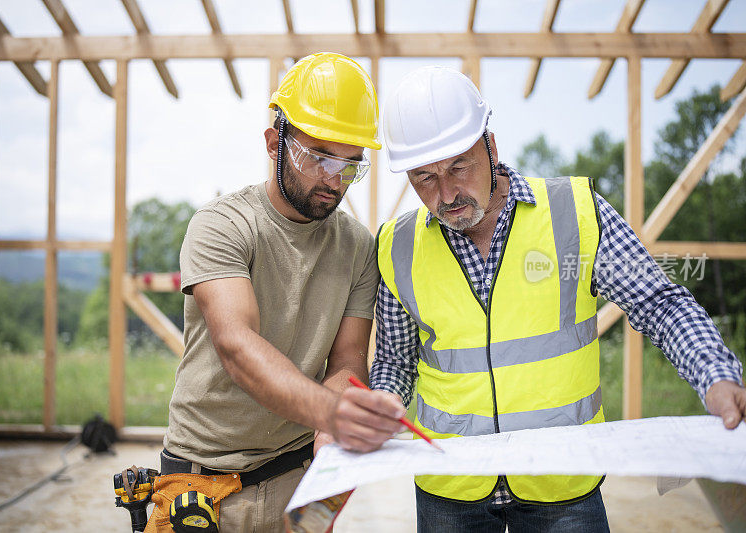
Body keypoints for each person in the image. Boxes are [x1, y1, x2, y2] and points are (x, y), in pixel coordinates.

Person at [370, 66, 745, 532]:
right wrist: (385, 398)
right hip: (451, 490)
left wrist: (715, 374)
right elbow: (394, 359)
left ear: (490, 145)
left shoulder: (573, 212)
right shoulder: (398, 245)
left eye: (458, 167)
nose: (445, 194)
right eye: (424, 178)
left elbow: (658, 302)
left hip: (562, 490)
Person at [146, 52, 405, 533]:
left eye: (350, 165)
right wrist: (334, 412)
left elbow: (348, 361)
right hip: (199, 482)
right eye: (319, 157)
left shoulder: (357, 245)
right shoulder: (222, 225)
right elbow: (237, 346)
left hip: (299, 473)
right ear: (274, 142)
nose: (334, 179)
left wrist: (333, 433)